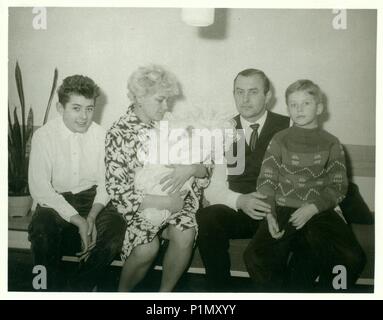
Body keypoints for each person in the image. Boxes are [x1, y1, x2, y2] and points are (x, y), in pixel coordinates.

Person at [243, 79, 366, 291]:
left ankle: (330, 293)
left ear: (319, 108)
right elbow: (267, 180)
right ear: (288, 108)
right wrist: (269, 214)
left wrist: (312, 208)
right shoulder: (279, 139)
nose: (299, 109)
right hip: (282, 208)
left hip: (318, 209)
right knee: (255, 255)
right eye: (293, 104)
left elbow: (338, 186)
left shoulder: (332, 142)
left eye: (306, 104)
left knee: (351, 258)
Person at [105, 65, 209, 292]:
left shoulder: (172, 123)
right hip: (142, 204)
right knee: (146, 248)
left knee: (185, 233)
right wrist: (165, 203)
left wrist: (190, 168)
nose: (166, 107)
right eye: (161, 100)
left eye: (168, 101)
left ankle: (164, 296)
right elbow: (118, 192)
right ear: (139, 97)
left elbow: (204, 170)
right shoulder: (120, 132)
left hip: (179, 198)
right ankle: (122, 293)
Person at [28, 75, 126, 291]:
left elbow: (106, 184)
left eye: (89, 109)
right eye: (76, 108)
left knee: (115, 234)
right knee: (42, 232)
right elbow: (40, 189)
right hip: (54, 199)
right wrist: (79, 221)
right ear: (60, 108)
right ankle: (42, 289)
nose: (84, 117)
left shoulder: (101, 135)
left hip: (94, 199)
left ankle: (80, 288)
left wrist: (91, 216)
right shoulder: (43, 136)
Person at [196, 68, 291, 291]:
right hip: (242, 210)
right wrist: (240, 201)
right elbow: (213, 187)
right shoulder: (223, 129)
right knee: (207, 216)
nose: (245, 99)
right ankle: (219, 291)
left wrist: (272, 206)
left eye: (253, 92)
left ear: (268, 96)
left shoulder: (288, 126)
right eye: (239, 92)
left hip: (277, 210)